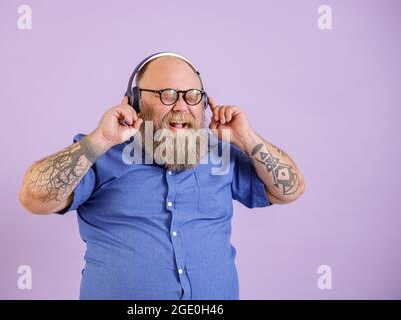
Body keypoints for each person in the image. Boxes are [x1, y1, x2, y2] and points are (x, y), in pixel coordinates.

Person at [18, 52, 306, 300]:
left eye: (193, 96)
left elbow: (290, 190)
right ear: (134, 102)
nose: (181, 106)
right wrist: (99, 140)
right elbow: (35, 198)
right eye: (167, 95)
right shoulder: (100, 153)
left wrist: (246, 137)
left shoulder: (221, 156)